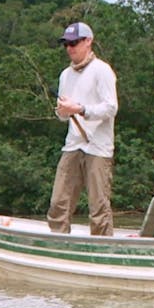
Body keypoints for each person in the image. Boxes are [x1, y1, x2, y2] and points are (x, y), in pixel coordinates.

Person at [47, 21, 118, 236]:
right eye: (66, 44)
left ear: (88, 42)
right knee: (58, 202)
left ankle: (104, 251)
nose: (69, 48)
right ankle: (57, 246)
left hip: (98, 147)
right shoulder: (64, 75)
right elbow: (62, 115)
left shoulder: (102, 70)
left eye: (74, 43)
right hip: (73, 144)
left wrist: (81, 109)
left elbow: (111, 107)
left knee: (98, 207)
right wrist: (63, 111)